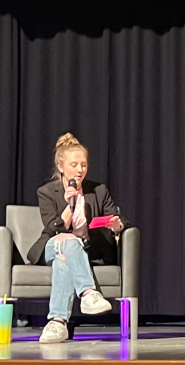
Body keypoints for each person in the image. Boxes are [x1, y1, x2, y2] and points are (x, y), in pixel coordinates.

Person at [28, 132, 125, 344]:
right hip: (51, 245)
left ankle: (57, 323)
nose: (80, 170)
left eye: (83, 165)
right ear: (61, 167)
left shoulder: (98, 191)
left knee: (64, 262)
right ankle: (88, 293)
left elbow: (116, 218)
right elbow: (52, 227)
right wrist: (68, 207)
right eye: (74, 165)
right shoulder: (46, 192)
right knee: (66, 241)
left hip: (84, 251)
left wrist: (117, 226)